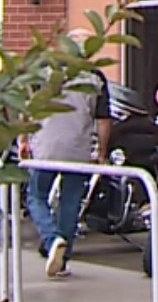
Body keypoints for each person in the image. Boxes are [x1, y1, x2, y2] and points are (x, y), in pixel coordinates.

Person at [20, 29, 112, 278]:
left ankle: (52, 241)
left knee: (36, 196)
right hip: (77, 148)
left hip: (46, 146)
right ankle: (62, 259)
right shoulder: (95, 77)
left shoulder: (45, 71)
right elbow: (103, 121)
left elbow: (27, 109)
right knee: (71, 202)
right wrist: (101, 152)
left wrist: (23, 139)